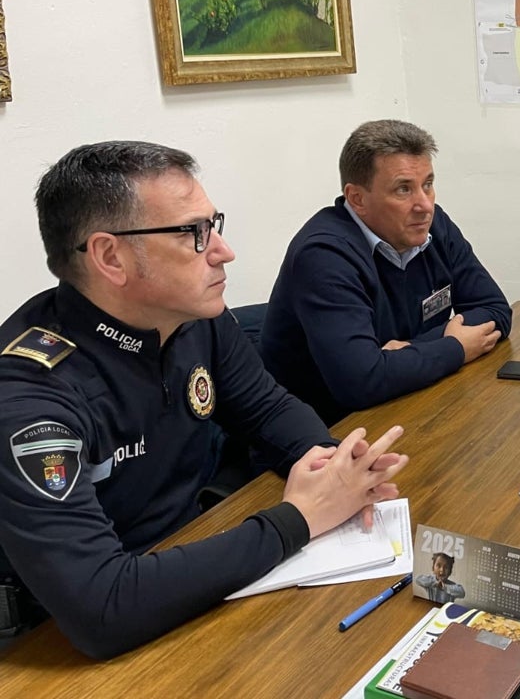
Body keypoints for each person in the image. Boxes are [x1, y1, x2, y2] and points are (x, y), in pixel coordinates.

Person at [0, 142, 410, 659]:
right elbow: (99, 606)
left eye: (213, 224)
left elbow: (267, 408)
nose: (222, 250)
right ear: (110, 256)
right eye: (194, 233)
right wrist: (302, 518)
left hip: (194, 558)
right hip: (58, 637)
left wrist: (333, 467)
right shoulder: (29, 392)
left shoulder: (194, 317)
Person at [261, 120, 512, 424]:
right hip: (328, 436)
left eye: (428, 185)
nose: (424, 205)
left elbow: (496, 310)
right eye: (403, 189)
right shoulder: (324, 255)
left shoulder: (433, 225)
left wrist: (412, 351)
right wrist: (456, 347)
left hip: (410, 401)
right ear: (357, 199)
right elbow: (361, 382)